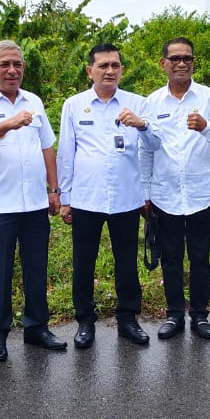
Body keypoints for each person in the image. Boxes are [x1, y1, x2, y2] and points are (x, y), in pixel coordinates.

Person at [0, 40, 66, 362]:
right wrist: (7, 123)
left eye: (17, 65)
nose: (12, 71)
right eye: (5, 64)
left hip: (35, 203)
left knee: (37, 270)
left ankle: (37, 328)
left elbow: (47, 146)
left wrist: (54, 190)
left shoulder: (32, 100)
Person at [58, 43, 158, 349]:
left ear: (122, 70)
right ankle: (85, 321)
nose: (110, 71)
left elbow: (154, 147)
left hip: (127, 197)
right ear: (90, 71)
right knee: (83, 262)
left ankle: (128, 319)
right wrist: (65, 197)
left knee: (126, 261)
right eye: (103, 66)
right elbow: (66, 153)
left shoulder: (138, 103)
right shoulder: (74, 105)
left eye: (115, 65)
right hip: (86, 198)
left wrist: (142, 126)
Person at [140, 37, 210, 341]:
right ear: (163, 63)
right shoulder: (151, 102)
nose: (182, 64)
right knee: (171, 257)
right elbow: (146, 150)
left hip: (201, 193)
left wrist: (206, 126)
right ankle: (175, 315)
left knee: (201, 256)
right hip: (165, 194)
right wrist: (146, 192)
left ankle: (201, 316)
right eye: (175, 58)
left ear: (193, 62)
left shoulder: (209, 98)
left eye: (187, 59)